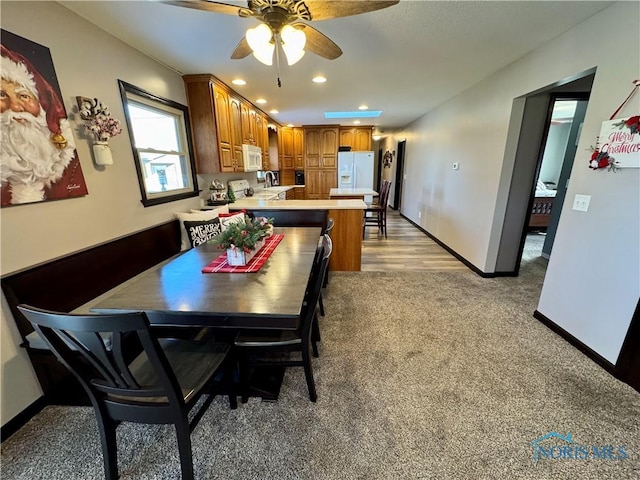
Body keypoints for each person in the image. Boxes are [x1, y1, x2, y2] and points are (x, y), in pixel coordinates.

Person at [1, 44, 87, 206]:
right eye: (1, 95)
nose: (15, 107)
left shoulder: (70, 163)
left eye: (24, 96)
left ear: (42, 105)